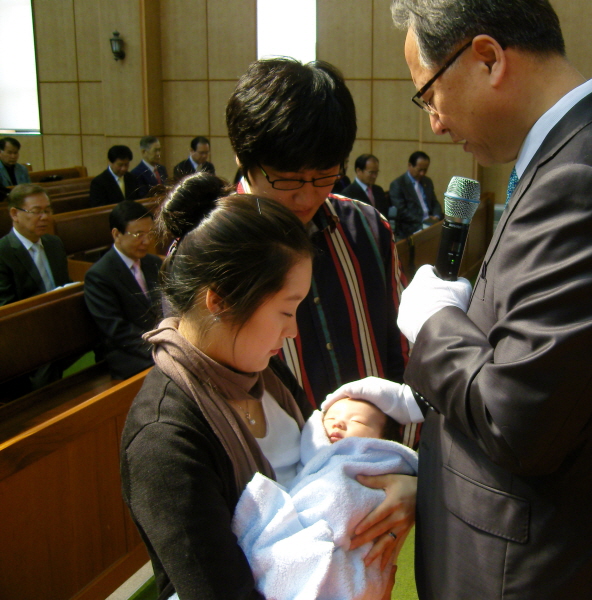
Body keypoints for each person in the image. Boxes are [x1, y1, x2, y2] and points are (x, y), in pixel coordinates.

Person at [332, 1, 592, 598]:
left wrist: (434, 324)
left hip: (538, 568)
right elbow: (556, 375)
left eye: (429, 95)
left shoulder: (584, 179)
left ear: (487, 58)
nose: (436, 124)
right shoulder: (575, 154)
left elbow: (518, 421)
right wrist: (421, 400)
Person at [120, 173, 415, 600]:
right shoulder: (163, 440)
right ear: (220, 300)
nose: (293, 331)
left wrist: (402, 487)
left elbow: (327, 468)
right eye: (286, 311)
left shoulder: (263, 372)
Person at [226, 58, 409, 409]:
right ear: (242, 157)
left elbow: (400, 344)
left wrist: (396, 420)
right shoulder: (211, 251)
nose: (308, 197)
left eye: (325, 175)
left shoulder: (367, 228)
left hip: (378, 437)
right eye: (288, 179)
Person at [220, 398, 414, 600]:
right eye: (330, 418)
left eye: (357, 421)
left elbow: (340, 502)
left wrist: (413, 485)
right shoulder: (315, 461)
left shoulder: (373, 464)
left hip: (346, 549)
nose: (338, 423)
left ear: (383, 440)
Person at [84, 201, 162, 380]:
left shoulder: (153, 263)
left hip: (160, 341)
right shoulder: (99, 275)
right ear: (116, 234)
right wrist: (158, 348)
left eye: (149, 234)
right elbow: (117, 330)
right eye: (138, 235)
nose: (147, 241)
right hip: (128, 353)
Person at [0, 184, 70, 306]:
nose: (45, 217)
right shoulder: (3, 252)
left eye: (47, 211)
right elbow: (6, 306)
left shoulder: (54, 243)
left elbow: (63, 284)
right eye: (36, 211)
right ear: (14, 214)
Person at [388, 150, 441, 239]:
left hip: (430, 223)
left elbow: (434, 202)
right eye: (419, 170)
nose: (422, 173)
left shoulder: (427, 181)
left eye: (425, 170)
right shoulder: (398, 184)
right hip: (412, 226)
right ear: (410, 166)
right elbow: (402, 211)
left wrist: (436, 216)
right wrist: (423, 220)